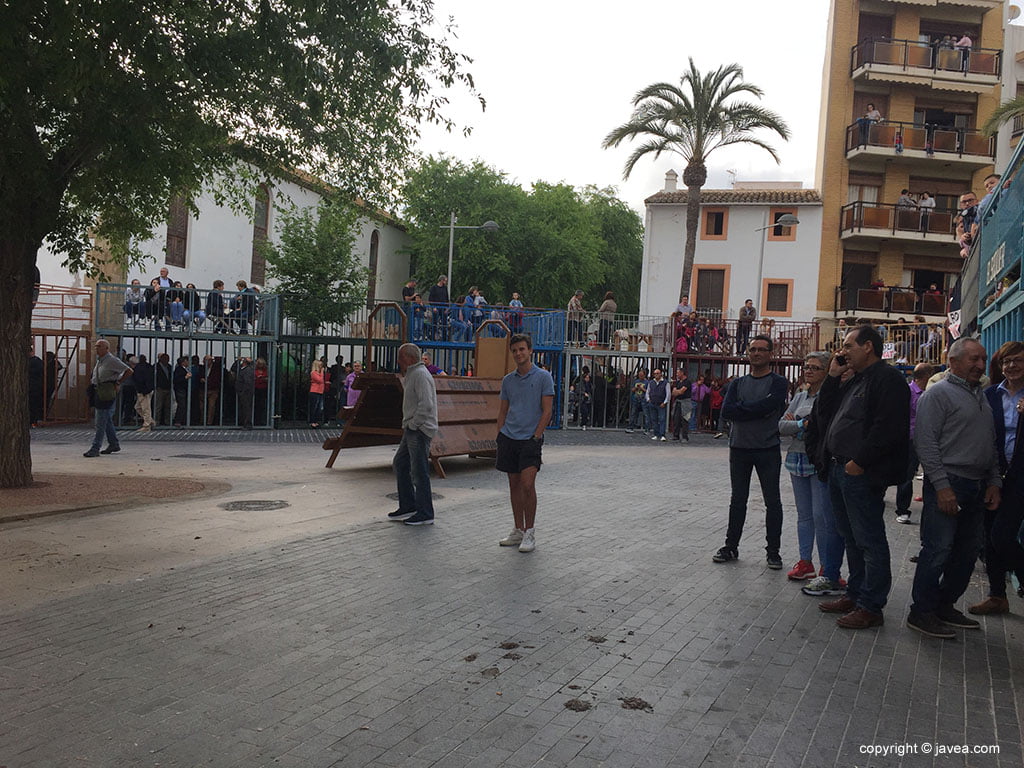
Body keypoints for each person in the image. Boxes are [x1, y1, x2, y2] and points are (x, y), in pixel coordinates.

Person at [805, 325, 910, 630]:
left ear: (868, 347)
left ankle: (871, 605)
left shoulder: (887, 379)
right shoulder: (856, 380)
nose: (843, 351)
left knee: (869, 539)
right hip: (839, 469)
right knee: (850, 536)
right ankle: (856, 593)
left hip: (860, 472)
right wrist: (833, 376)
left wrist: (859, 462)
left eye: (849, 346)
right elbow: (823, 413)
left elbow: (888, 427)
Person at [907, 338, 1001, 639]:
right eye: (973, 359)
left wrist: (994, 481)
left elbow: (990, 444)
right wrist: (942, 486)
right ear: (953, 362)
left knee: (966, 552)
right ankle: (921, 612)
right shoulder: (938, 395)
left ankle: (943, 605)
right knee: (937, 551)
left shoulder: (981, 396)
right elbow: (926, 443)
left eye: (983, 359)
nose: (980, 364)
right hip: (949, 482)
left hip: (977, 485)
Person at [713, 335, 789, 568]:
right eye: (752, 349)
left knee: (773, 501)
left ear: (770, 354)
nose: (756, 353)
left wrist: (743, 409)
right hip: (739, 448)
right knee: (738, 500)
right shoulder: (737, 383)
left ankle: (773, 551)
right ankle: (731, 546)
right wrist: (755, 410)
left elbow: (771, 405)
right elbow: (727, 411)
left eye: (761, 350)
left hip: (767, 448)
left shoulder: (779, 382)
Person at [780, 352, 846, 592]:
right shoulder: (799, 396)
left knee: (822, 516)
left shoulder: (831, 394)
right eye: (806, 367)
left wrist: (797, 424)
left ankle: (827, 567)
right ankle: (804, 560)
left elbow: (820, 426)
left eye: (815, 368)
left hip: (817, 461)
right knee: (804, 514)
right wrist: (801, 424)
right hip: (796, 459)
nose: (809, 371)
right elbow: (781, 426)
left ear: (827, 370)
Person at [972, 341, 1024, 616]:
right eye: (1006, 362)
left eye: (1017, 360)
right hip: (994, 476)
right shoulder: (990, 395)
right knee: (990, 538)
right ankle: (997, 596)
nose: (1011, 366)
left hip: (1021, 478)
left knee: (1002, 536)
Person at [495, 333, 554, 552]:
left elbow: (547, 411)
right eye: (515, 350)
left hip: (530, 438)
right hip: (509, 436)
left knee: (528, 485)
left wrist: (536, 436)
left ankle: (530, 531)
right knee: (514, 484)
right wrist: (500, 433)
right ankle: (518, 529)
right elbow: (502, 409)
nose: (518, 353)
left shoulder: (543, 377)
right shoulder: (508, 380)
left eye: (522, 349)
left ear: (530, 351)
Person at [386, 343, 439, 526]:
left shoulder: (420, 375)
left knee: (419, 470)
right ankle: (409, 504)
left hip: (418, 429)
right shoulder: (414, 374)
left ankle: (425, 512)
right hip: (413, 427)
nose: (399, 361)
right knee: (401, 464)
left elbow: (426, 404)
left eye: (401, 357)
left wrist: (415, 425)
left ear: (409, 358)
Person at [895, 364, 933, 525]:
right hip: (910, 439)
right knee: (906, 475)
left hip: (927, 439)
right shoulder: (908, 392)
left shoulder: (930, 392)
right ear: (926, 376)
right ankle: (902, 510)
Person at [84, 338, 133, 457]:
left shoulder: (111, 360)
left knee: (100, 421)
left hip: (106, 391)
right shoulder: (100, 360)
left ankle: (95, 448)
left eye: (99, 346)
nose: (97, 348)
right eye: (96, 346)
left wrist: (118, 382)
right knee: (106, 420)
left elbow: (129, 370)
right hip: (98, 390)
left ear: (107, 348)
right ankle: (113, 443)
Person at [645, 367, 670, 441]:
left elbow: (668, 394)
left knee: (662, 419)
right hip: (652, 403)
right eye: (655, 373)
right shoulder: (651, 382)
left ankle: (662, 435)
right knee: (654, 419)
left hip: (661, 403)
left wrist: (665, 402)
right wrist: (648, 399)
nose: (656, 375)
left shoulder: (666, 383)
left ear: (661, 374)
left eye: (657, 373)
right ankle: (656, 434)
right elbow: (648, 392)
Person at [132, 354, 155, 432]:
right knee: (138, 407)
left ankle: (147, 425)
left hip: (143, 391)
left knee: (145, 408)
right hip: (148, 390)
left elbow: (139, 380)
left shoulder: (138, 368)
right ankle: (150, 421)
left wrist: (143, 390)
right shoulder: (149, 366)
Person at [670, 368, 692, 442]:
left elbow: (681, 392)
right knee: (676, 418)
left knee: (685, 419)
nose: (676, 374)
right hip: (678, 402)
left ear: (682, 373)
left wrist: (677, 391)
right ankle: (676, 435)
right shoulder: (678, 382)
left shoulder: (687, 382)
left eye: (678, 373)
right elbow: (673, 393)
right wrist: (677, 391)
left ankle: (685, 436)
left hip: (685, 402)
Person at [625, 368, 648, 434]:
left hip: (643, 400)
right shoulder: (635, 381)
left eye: (641, 375)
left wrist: (642, 388)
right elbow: (632, 389)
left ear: (644, 375)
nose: (640, 376)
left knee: (646, 414)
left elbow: (648, 391)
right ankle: (630, 427)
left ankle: (647, 429)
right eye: (639, 375)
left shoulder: (647, 382)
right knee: (633, 413)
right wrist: (635, 388)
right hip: (635, 399)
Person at [427, 275, 450, 340]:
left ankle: (444, 338)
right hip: (436, 307)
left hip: (443, 308)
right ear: (441, 280)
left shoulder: (444, 288)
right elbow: (430, 298)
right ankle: (433, 337)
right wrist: (433, 307)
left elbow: (446, 298)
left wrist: (447, 307)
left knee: (444, 323)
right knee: (434, 323)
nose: (446, 282)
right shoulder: (434, 288)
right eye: (445, 280)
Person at [153, 352, 173, 426]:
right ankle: (156, 421)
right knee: (158, 406)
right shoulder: (156, 367)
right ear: (160, 359)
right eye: (165, 358)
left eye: (168, 359)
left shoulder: (169, 367)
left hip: (168, 389)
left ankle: (167, 421)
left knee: (168, 406)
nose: (167, 360)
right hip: (159, 389)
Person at [235, 357, 254, 429]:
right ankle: (244, 423)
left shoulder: (247, 370)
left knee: (246, 409)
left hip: (246, 393)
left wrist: (242, 392)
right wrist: (238, 361)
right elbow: (233, 368)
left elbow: (248, 382)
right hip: (244, 392)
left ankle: (248, 424)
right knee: (244, 408)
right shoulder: (244, 369)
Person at [308, 359, 328, 428]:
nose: (321, 367)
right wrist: (322, 372)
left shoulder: (319, 373)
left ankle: (316, 421)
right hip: (314, 391)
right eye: (320, 366)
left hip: (320, 391)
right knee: (314, 407)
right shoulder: (314, 373)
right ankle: (312, 421)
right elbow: (320, 380)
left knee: (319, 408)